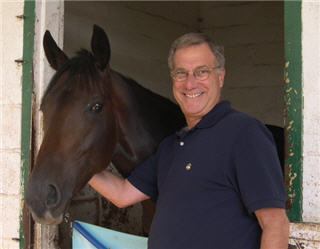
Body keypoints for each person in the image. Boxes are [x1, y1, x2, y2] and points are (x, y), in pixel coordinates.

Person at [89, 32, 289, 249]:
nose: (190, 83)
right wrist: (74, 162)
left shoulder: (244, 133)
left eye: (201, 72)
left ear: (220, 76)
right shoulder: (171, 147)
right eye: (181, 73)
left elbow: (275, 224)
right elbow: (121, 193)